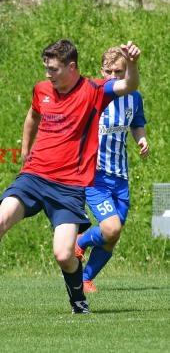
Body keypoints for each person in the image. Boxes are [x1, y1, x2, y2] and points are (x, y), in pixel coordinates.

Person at [0, 39, 141, 314]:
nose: (48, 74)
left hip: (68, 187)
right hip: (34, 176)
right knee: (0, 221)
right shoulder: (42, 90)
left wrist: (134, 64)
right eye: (46, 68)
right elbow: (32, 116)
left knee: (64, 255)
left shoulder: (93, 90)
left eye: (53, 69)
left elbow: (128, 86)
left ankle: (78, 301)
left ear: (71, 67)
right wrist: (24, 151)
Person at [74, 47, 149, 293]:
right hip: (95, 176)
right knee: (111, 228)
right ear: (101, 71)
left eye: (120, 71)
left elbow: (137, 123)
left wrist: (141, 139)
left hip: (121, 176)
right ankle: (81, 241)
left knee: (113, 236)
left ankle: (85, 278)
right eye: (110, 72)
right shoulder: (92, 95)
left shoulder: (133, 97)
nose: (115, 77)